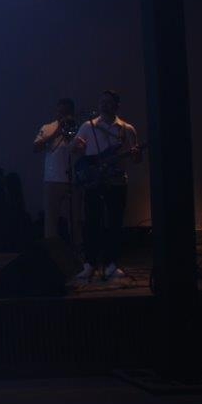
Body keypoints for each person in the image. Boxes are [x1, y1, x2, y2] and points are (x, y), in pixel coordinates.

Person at [74, 90, 142, 281]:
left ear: (117, 105)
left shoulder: (127, 129)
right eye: (102, 101)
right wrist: (78, 147)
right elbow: (75, 149)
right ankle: (90, 264)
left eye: (108, 102)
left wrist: (137, 155)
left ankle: (112, 263)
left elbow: (137, 159)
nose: (104, 105)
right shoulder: (88, 126)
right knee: (91, 222)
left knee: (114, 223)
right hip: (94, 181)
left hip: (116, 181)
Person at [34, 98, 88, 278]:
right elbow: (36, 147)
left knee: (75, 220)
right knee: (51, 221)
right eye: (60, 112)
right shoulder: (48, 127)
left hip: (73, 180)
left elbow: (82, 151)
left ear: (71, 113)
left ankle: (78, 257)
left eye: (66, 112)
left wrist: (74, 138)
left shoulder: (80, 128)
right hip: (52, 179)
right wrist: (57, 131)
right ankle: (52, 259)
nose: (62, 115)